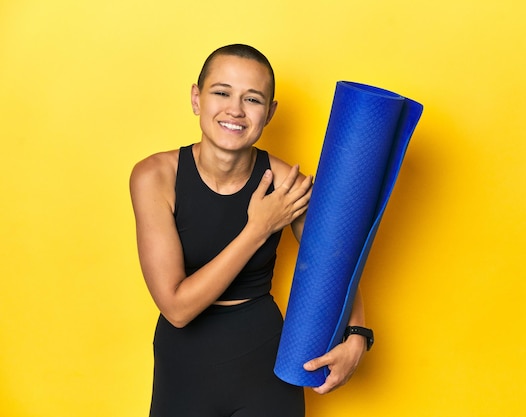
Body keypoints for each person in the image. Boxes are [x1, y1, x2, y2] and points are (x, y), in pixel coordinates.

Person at [130, 44, 369, 417]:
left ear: (269, 112)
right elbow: (177, 307)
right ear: (196, 98)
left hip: (263, 355)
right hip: (184, 361)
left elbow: (335, 265)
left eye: (253, 99)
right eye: (221, 92)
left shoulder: (287, 183)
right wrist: (258, 228)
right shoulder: (155, 177)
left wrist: (358, 335)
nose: (235, 110)